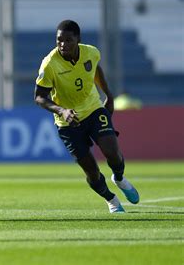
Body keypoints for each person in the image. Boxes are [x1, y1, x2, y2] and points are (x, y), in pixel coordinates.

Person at [34, 19, 140, 213]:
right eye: (59, 40)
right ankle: (111, 199)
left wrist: (107, 94)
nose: (63, 44)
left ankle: (119, 177)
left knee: (112, 152)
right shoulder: (49, 64)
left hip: (92, 109)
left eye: (68, 40)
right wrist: (62, 110)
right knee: (91, 170)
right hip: (68, 122)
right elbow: (39, 97)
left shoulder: (91, 52)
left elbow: (95, 69)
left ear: (78, 39)